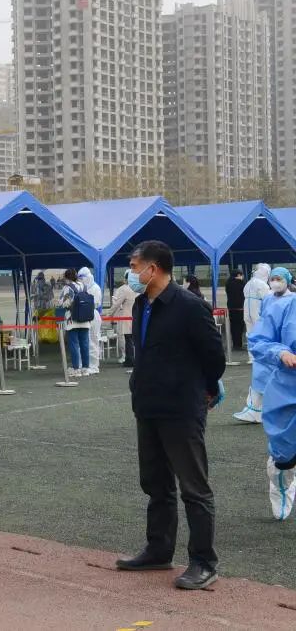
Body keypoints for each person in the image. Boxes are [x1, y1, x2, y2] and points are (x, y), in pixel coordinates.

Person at [116, 240, 225, 591]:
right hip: (148, 406)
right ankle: (158, 550)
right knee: (155, 483)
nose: (131, 273)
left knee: (194, 488)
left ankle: (204, 561)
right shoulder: (141, 305)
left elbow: (214, 356)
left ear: (153, 268)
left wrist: (205, 388)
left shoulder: (190, 306)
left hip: (181, 409)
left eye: (134, 267)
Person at [248, 282, 296, 520]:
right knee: (284, 455)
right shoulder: (285, 307)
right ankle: (282, 483)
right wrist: (281, 352)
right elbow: (259, 341)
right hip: (289, 389)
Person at [237, 268, 295, 425]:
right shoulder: (268, 298)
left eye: (279, 279)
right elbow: (263, 320)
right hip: (266, 345)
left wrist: (282, 350)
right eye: (273, 279)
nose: (275, 282)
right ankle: (254, 410)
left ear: (287, 280)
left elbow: (290, 328)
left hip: (282, 348)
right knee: (260, 376)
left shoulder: (292, 300)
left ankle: (260, 410)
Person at [59, 268, 91, 378]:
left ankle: (76, 369)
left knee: (74, 344)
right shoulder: (84, 286)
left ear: (66, 277)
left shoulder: (67, 288)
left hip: (72, 320)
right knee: (85, 344)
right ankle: (85, 368)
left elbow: (63, 303)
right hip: (85, 319)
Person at [243, 264, 272, 365]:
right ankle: (261, 356)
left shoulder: (248, 283)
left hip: (247, 309)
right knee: (261, 333)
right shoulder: (262, 284)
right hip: (257, 309)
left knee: (249, 333)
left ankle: (251, 357)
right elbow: (267, 298)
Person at [109, 271, 139, 367]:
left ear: (126, 279)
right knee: (134, 340)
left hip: (126, 317)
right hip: (136, 317)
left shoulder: (124, 289)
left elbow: (117, 304)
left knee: (128, 340)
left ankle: (129, 360)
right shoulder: (138, 288)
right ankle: (135, 359)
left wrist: (109, 314)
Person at [77, 267, 103, 374]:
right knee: (83, 341)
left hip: (93, 315)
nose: (81, 280)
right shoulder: (82, 287)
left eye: (82, 278)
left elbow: (96, 303)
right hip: (83, 316)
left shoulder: (95, 288)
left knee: (93, 341)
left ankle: (94, 366)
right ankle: (83, 365)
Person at [225, 269, 246, 352]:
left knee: (233, 326)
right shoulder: (241, 283)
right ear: (238, 275)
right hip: (240, 308)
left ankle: (235, 344)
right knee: (240, 327)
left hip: (231, 307)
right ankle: (239, 344)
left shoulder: (228, 283)